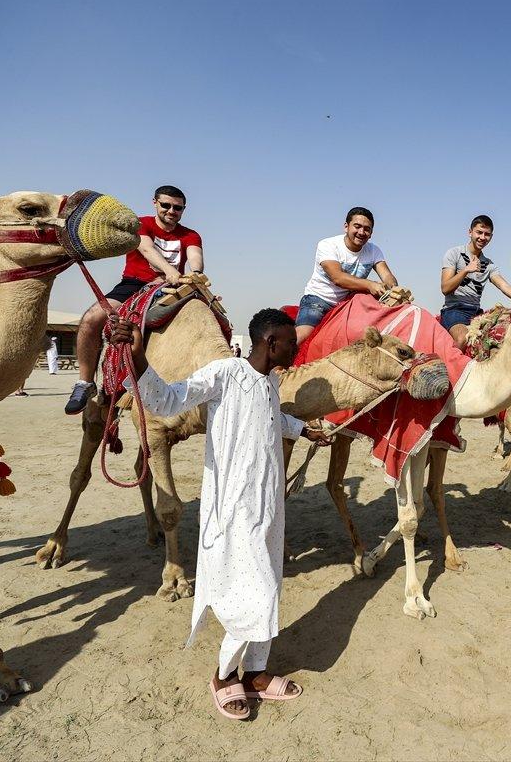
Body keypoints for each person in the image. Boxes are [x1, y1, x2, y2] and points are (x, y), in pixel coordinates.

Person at [110, 308, 331, 720]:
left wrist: (303, 430)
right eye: (289, 341)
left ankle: (258, 674)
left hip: (268, 506)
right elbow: (168, 398)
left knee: (269, 586)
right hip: (233, 509)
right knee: (250, 591)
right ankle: (224, 676)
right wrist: (138, 358)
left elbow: (269, 417)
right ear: (270, 342)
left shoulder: (268, 382)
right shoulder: (225, 373)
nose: (294, 348)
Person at [66, 185, 203, 414]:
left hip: (173, 287)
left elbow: (195, 257)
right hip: (135, 284)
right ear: (155, 203)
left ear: (183, 210)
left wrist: (196, 274)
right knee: (91, 320)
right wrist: (169, 271)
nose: (171, 211)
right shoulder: (141, 224)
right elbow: (147, 250)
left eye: (177, 208)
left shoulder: (190, 235)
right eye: (166, 205)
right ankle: (85, 382)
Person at [296, 207, 397, 342]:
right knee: (303, 337)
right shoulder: (328, 245)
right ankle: (287, 362)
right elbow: (337, 278)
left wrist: (394, 289)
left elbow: (387, 276)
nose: (361, 232)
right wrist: (370, 284)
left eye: (367, 229)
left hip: (349, 303)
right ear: (346, 226)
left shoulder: (373, 251)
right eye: (357, 226)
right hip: (319, 300)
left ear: (371, 233)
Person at [439, 215, 511, 349]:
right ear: (470, 232)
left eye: (487, 234)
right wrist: (466, 270)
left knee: (505, 336)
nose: (482, 237)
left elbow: (504, 286)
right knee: (463, 339)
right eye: (479, 232)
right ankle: (451, 369)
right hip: (454, 310)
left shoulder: (489, 265)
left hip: (477, 314)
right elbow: (445, 288)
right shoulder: (454, 254)